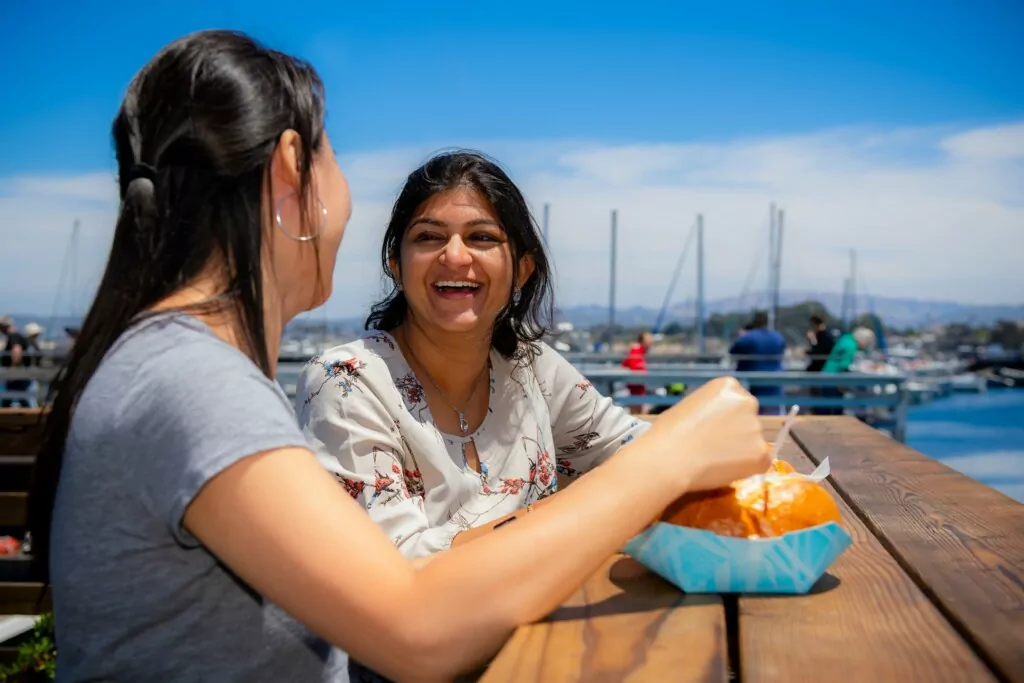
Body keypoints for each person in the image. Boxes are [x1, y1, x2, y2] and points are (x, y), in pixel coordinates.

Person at [27, 30, 771, 683]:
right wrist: (668, 457)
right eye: (336, 158)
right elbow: (417, 630)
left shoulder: (174, 364)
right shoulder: (193, 382)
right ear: (293, 171)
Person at [297, 152, 652, 558]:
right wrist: (568, 512)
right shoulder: (346, 382)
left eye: (482, 237)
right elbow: (397, 568)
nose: (455, 255)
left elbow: (641, 453)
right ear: (397, 265)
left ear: (521, 270)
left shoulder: (530, 367)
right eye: (429, 237)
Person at [729, 311, 786, 415]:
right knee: (773, 418)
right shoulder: (778, 337)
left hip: (753, 384)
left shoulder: (748, 338)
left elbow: (733, 351)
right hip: (774, 384)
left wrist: (742, 335)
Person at [805, 314, 839, 415]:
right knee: (819, 398)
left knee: (819, 399)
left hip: (821, 371)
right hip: (822, 371)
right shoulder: (828, 335)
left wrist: (812, 341)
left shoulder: (824, 336)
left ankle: (818, 413)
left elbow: (819, 352)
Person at [1, 315, 30, 407]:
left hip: (16, 374)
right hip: (21, 373)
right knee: (20, 397)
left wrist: (12, 370)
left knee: (12, 397)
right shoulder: (17, 335)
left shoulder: (13, 336)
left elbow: (16, 351)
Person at [621, 331, 652, 414]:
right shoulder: (636, 350)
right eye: (648, 340)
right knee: (636, 412)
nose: (650, 343)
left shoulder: (639, 350)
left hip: (638, 385)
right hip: (636, 385)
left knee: (638, 411)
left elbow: (625, 363)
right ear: (643, 341)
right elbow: (634, 367)